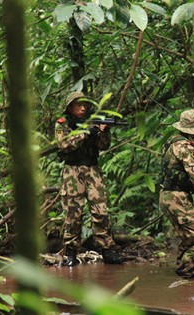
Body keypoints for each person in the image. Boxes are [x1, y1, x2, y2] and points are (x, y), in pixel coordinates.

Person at [55, 91, 123, 266]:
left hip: (92, 169)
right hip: (72, 171)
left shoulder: (93, 121)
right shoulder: (62, 124)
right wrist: (86, 132)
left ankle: (106, 249)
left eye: (84, 104)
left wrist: (102, 132)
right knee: (73, 212)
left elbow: (103, 145)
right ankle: (71, 251)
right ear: (70, 107)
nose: (82, 108)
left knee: (101, 210)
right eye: (78, 105)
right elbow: (64, 145)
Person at [159, 109, 194, 279]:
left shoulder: (170, 142)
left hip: (165, 195)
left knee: (188, 238)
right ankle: (185, 272)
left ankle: (182, 271)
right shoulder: (187, 148)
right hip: (178, 198)